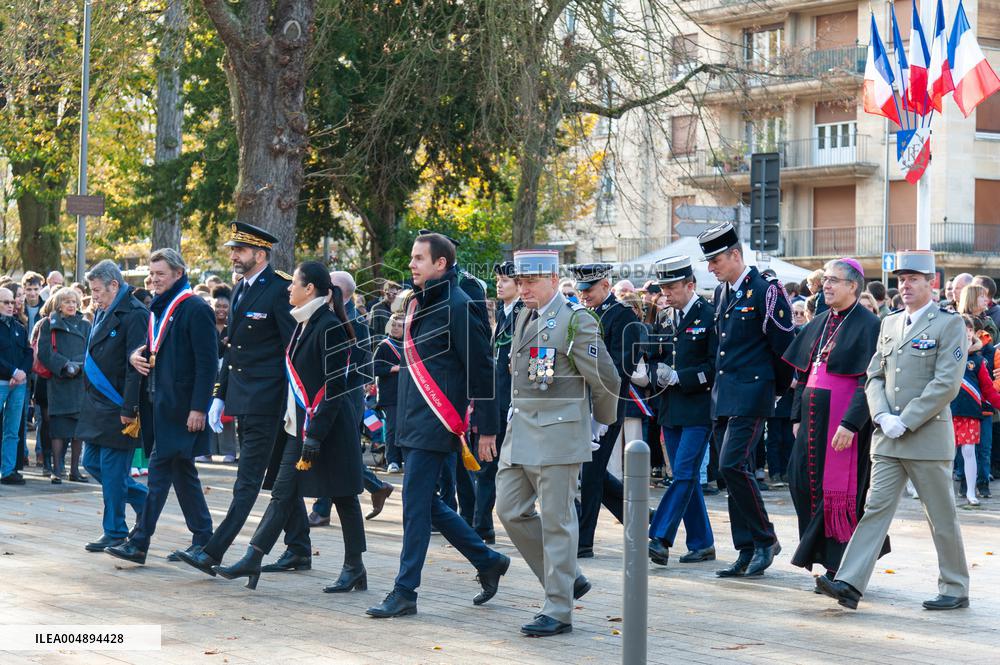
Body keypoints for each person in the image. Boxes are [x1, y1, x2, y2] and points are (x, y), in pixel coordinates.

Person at [816, 250, 971, 611]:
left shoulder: (948, 324)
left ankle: (955, 585)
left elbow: (947, 382)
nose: (905, 285)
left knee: (941, 517)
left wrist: (907, 419)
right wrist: (882, 415)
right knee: (874, 510)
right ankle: (850, 583)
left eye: (913, 279)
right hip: (888, 437)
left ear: (931, 283)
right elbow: (874, 375)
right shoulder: (890, 321)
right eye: (901, 279)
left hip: (926, 436)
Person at [365, 232, 508, 619]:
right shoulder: (420, 303)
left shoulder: (459, 306)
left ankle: (405, 590)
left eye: (418, 259)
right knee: (427, 504)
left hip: (436, 422)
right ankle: (488, 560)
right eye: (412, 258)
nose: (411, 264)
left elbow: (483, 370)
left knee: (415, 508)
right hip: (413, 421)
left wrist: (489, 431)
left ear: (440, 264)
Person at [212, 262, 367, 593]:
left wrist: (316, 434)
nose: (288, 289)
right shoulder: (304, 322)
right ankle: (254, 556)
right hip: (302, 426)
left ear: (309, 289)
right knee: (283, 491)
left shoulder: (328, 325)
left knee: (344, 497)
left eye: (294, 283)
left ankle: (355, 566)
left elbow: (334, 387)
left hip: (329, 427)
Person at [492, 249, 619, 636]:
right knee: (510, 510)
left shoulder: (574, 320)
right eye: (521, 281)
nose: (523, 288)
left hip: (558, 434)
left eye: (531, 281)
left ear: (551, 278)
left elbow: (606, 379)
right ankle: (568, 575)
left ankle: (559, 608)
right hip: (523, 431)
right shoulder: (525, 314)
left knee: (557, 521)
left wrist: (599, 423)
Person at [178, 222, 296, 575]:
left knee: (248, 480)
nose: (233, 255)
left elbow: (292, 348)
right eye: (233, 249)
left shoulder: (279, 289)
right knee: (277, 474)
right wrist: (219, 393)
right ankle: (300, 547)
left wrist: (293, 401)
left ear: (260, 254)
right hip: (244, 397)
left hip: (269, 399)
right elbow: (233, 349)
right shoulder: (241, 289)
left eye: (240, 250)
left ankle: (213, 551)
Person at [105, 248, 215, 565]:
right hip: (159, 406)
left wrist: (199, 408)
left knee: (158, 474)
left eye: (160, 274)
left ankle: (139, 542)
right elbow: (155, 349)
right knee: (183, 474)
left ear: (178, 274)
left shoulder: (195, 308)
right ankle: (204, 540)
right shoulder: (159, 307)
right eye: (151, 274)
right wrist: (135, 355)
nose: (153, 280)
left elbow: (207, 366)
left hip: (182, 409)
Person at [698, 222, 795, 577]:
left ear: (736, 255)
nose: (711, 268)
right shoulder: (723, 293)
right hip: (725, 396)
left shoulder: (765, 291)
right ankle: (746, 548)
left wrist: (775, 389)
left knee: (731, 464)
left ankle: (766, 538)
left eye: (716, 260)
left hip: (754, 392)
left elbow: (785, 349)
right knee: (731, 472)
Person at [782, 258, 886, 581]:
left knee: (839, 495)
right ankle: (821, 554)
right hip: (812, 421)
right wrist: (796, 414)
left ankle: (838, 567)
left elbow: (868, 380)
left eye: (834, 280)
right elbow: (804, 370)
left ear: (853, 286)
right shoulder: (821, 320)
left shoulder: (869, 325)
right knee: (800, 483)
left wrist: (852, 423)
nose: (826, 285)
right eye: (825, 279)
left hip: (842, 421)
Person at [645, 256, 717, 567]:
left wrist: (681, 377)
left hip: (699, 406)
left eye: (672, 288)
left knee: (685, 473)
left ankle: (659, 536)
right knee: (683, 477)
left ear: (690, 285)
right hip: (671, 407)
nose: (666, 294)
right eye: (663, 289)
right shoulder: (664, 318)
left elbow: (715, 367)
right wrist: (652, 370)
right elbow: (654, 355)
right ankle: (702, 543)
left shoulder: (709, 315)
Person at [309, 271, 394, 528]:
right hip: (334, 395)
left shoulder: (352, 320)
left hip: (344, 397)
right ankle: (375, 487)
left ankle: (323, 509)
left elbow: (357, 367)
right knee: (333, 452)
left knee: (334, 451)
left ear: (337, 290)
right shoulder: (333, 315)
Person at [77, 260, 150, 552]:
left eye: (97, 290)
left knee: (111, 469)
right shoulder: (103, 310)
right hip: (97, 405)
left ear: (114, 285)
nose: (94, 296)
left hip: (119, 404)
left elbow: (137, 366)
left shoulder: (136, 314)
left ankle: (115, 531)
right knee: (91, 463)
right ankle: (146, 502)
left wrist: (129, 407)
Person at [572, 263, 641, 559]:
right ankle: (639, 518)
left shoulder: (623, 316)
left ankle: (584, 540)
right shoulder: (584, 316)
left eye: (589, 290)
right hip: (581, 402)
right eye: (581, 290)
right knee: (593, 472)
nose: (584, 295)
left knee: (590, 471)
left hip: (607, 403)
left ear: (605, 285)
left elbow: (619, 365)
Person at [473, 261, 523, 544]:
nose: (499, 284)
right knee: (488, 466)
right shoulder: (504, 314)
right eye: (498, 279)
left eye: (505, 280)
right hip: (499, 402)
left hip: (515, 404)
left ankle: (482, 525)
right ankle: (481, 525)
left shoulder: (522, 313)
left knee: (528, 471)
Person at [38, 287, 92, 483]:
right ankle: (57, 470)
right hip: (59, 381)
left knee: (79, 431)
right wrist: (64, 365)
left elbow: (91, 351)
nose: (71, 305)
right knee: (58, 429)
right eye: (67, 301)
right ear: (58, 304)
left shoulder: (86, 325)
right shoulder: (48, 324)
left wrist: (77, 365)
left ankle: (74, 470)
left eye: (74, 302)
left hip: (80, 382)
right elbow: (44, 352)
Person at [950, 315, 1000, 507]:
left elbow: (988, 390)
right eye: (963, 329)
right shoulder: (944, 358)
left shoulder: (978, 361)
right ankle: (946, 494)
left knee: (969, 451)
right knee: (947, 454)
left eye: (970, 330)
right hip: (947, 413)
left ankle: (971, 491)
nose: (967, 333)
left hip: (971, 413)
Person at [0, 287, 31, 485]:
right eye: (6, 302)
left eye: (12, 302)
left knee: (12, 429)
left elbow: (29, 353)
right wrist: (13, 371)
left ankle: (9, 470)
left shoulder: (19, 327)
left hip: (18, 385)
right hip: (2, 382)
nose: (11, 306)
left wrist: (21, 373)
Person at [372, 313, 404, 473]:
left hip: (406, 394)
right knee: (392, 428)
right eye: (394, 325)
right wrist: (393, 368)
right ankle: (392, 460)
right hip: (389, 395)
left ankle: (402, 459)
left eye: (399, 325)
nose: (396, 328)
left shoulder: (409, 344)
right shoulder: (384, 345)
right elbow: (374, 369)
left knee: (404, 428)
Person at [368, 279, 401, 347]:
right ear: (384, 293)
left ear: (397, 293)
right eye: (388, 293)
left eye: (394, 294)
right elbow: (373, 333)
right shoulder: (376, 308)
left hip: (399, 346)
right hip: (383, 347)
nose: (391, 295)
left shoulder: (401, 308)